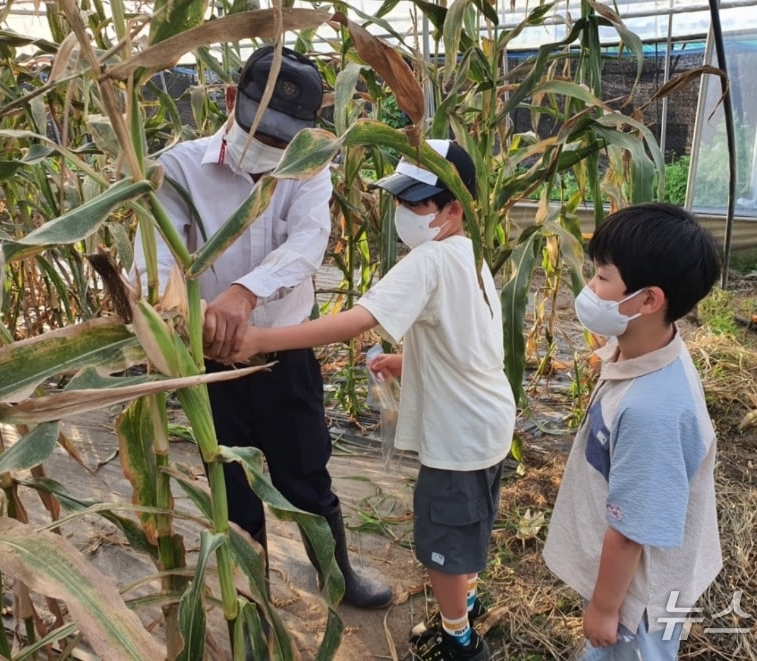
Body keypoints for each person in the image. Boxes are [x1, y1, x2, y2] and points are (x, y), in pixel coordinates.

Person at [214, 139, 516, 661]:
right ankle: (462, 609)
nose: (402, 212)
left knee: (442, 546)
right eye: (399, 199)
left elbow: (357, 321)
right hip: (488, 423)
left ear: (453, 210)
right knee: (467, 530)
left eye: (417, 203)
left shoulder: (428, 262)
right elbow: (474, 341)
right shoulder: (473, 253)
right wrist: (407, 362)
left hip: (458, 437)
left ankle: (459, 642)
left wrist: (261, 341)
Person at [133, 45, 393, 610]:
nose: (272, 150)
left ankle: (336, 572)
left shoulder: (309, 167)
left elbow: (307, 245)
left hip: (281, 356)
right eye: (263, 132)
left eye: (286, 140)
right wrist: (195, 319)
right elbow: (152, 269)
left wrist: (244, 293)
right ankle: (251, 601)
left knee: (306, 474)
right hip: (207, 365)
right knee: (233, 482)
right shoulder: (176, 169)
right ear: (230, 100)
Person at [542, 202, 723, 660]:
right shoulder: (647, 347)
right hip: (631, 582)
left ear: (648, 300)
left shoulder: (652, 410)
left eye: (602, 277)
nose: (590, 287)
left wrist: (605, 608)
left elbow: (630, 532)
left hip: (639, 599)